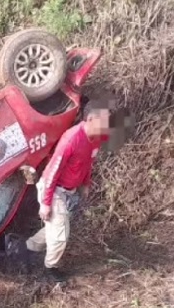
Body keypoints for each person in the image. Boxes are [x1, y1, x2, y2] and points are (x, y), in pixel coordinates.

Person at [26, 104, 111, 283]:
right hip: (54, 189)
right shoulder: (72, 139)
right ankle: (50, 268)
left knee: (56, 226)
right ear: (89, 120)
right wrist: (46, 203)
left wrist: (85, 184)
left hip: (68, 191)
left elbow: (89, 161)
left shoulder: (96, 138)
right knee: (60, 235)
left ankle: (28, 248)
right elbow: (52, 172)